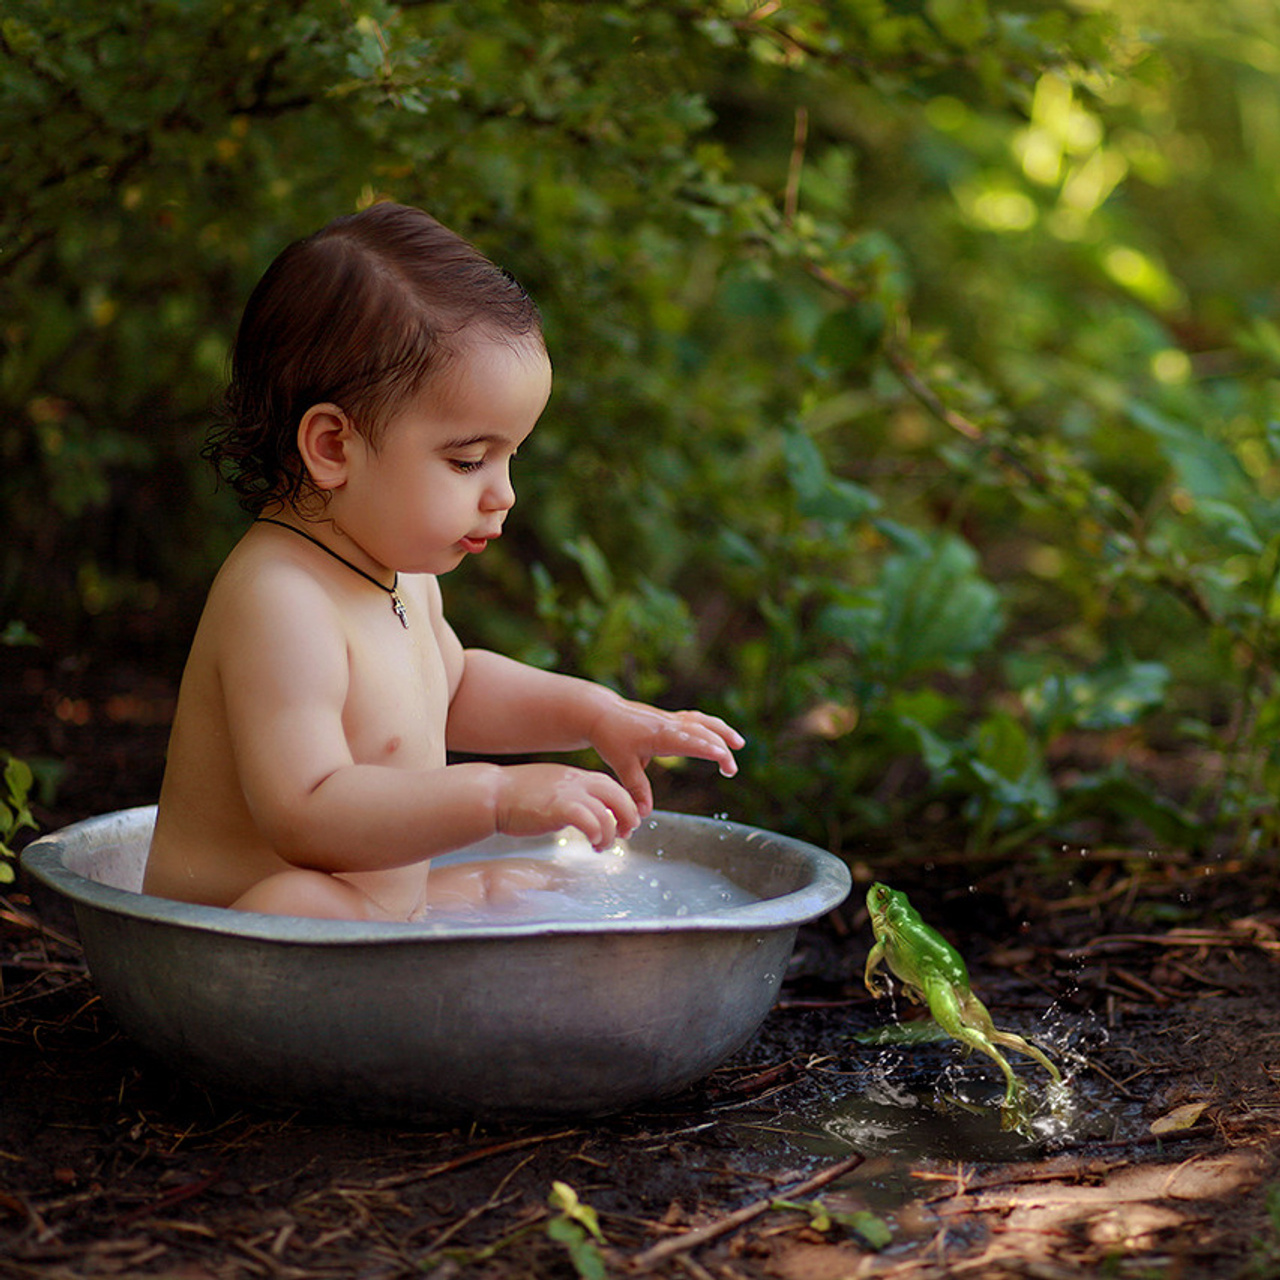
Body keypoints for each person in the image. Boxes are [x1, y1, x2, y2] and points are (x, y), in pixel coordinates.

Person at [143, 202, 743, 922]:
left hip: (380, 906)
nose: (505, 495)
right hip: (237, 940)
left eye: (509, 457)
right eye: (467, 461)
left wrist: (598, 714)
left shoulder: (399, 570)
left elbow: (451, 690)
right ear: (333, 447)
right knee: (296, 899)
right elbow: (304, 811)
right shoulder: (281, 599)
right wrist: (496, 797)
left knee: (555, 882)